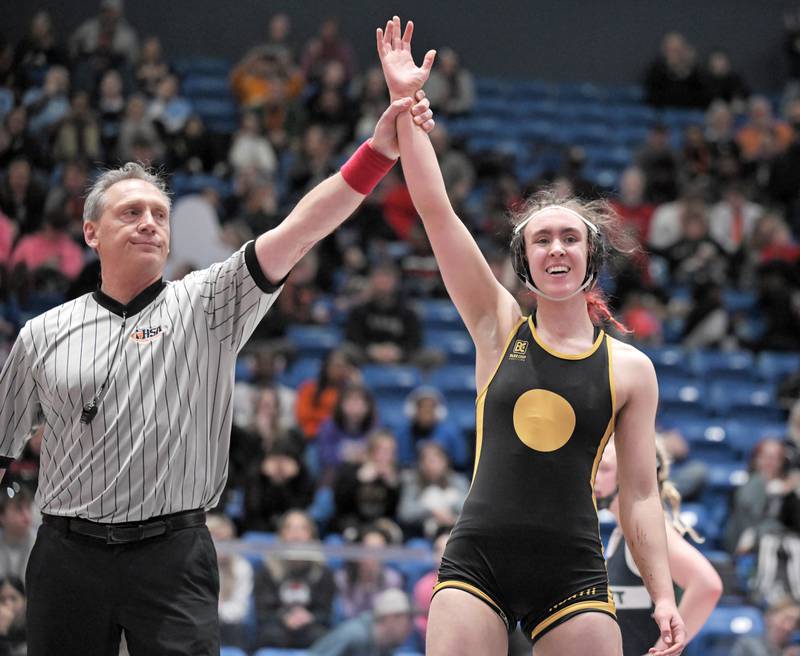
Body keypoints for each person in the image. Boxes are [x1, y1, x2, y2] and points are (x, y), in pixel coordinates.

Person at [0, 86, 435, 655]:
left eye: (159, 214)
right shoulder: (41, 334)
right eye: (130, 213)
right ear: (91, 233)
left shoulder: (206, 302)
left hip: (172, 555)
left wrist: (378, 152)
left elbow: (300, 229)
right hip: (66, 555)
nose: (150, 223)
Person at [375, 16, 685, 656]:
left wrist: (661, 594)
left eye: (571, 237)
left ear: (592, 257)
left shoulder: (630, 370)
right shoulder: (496, 324)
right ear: (524, 262)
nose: (556, 247)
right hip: (477, 564)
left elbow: (641, 493)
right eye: (541, 238)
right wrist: (404, 101)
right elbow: (435, 211)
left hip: (573, 572)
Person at [594, 438, 722, 655]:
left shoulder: (647, 532)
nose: (594, 478)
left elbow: (707, 585)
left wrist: (664, 651)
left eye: (604, 469)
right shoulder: (623, 532)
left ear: (633, 475)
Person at [253, 509, 336, 650]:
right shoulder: (266, 570)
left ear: (312, 535)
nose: (296, 534)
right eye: (290, 528)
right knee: (269, 636)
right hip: (276, 629)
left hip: (311, 629)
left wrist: (310, 617)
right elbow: (262, 611)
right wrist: (284, 617)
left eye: (302, 528)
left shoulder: (323, 571)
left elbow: (326, 612)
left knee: (323, 638)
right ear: (281, 535)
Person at [308, 587, 415, 656]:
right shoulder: (354, 635)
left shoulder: (386, 646)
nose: (410, 627)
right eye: (407, 620)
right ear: (391, 618)